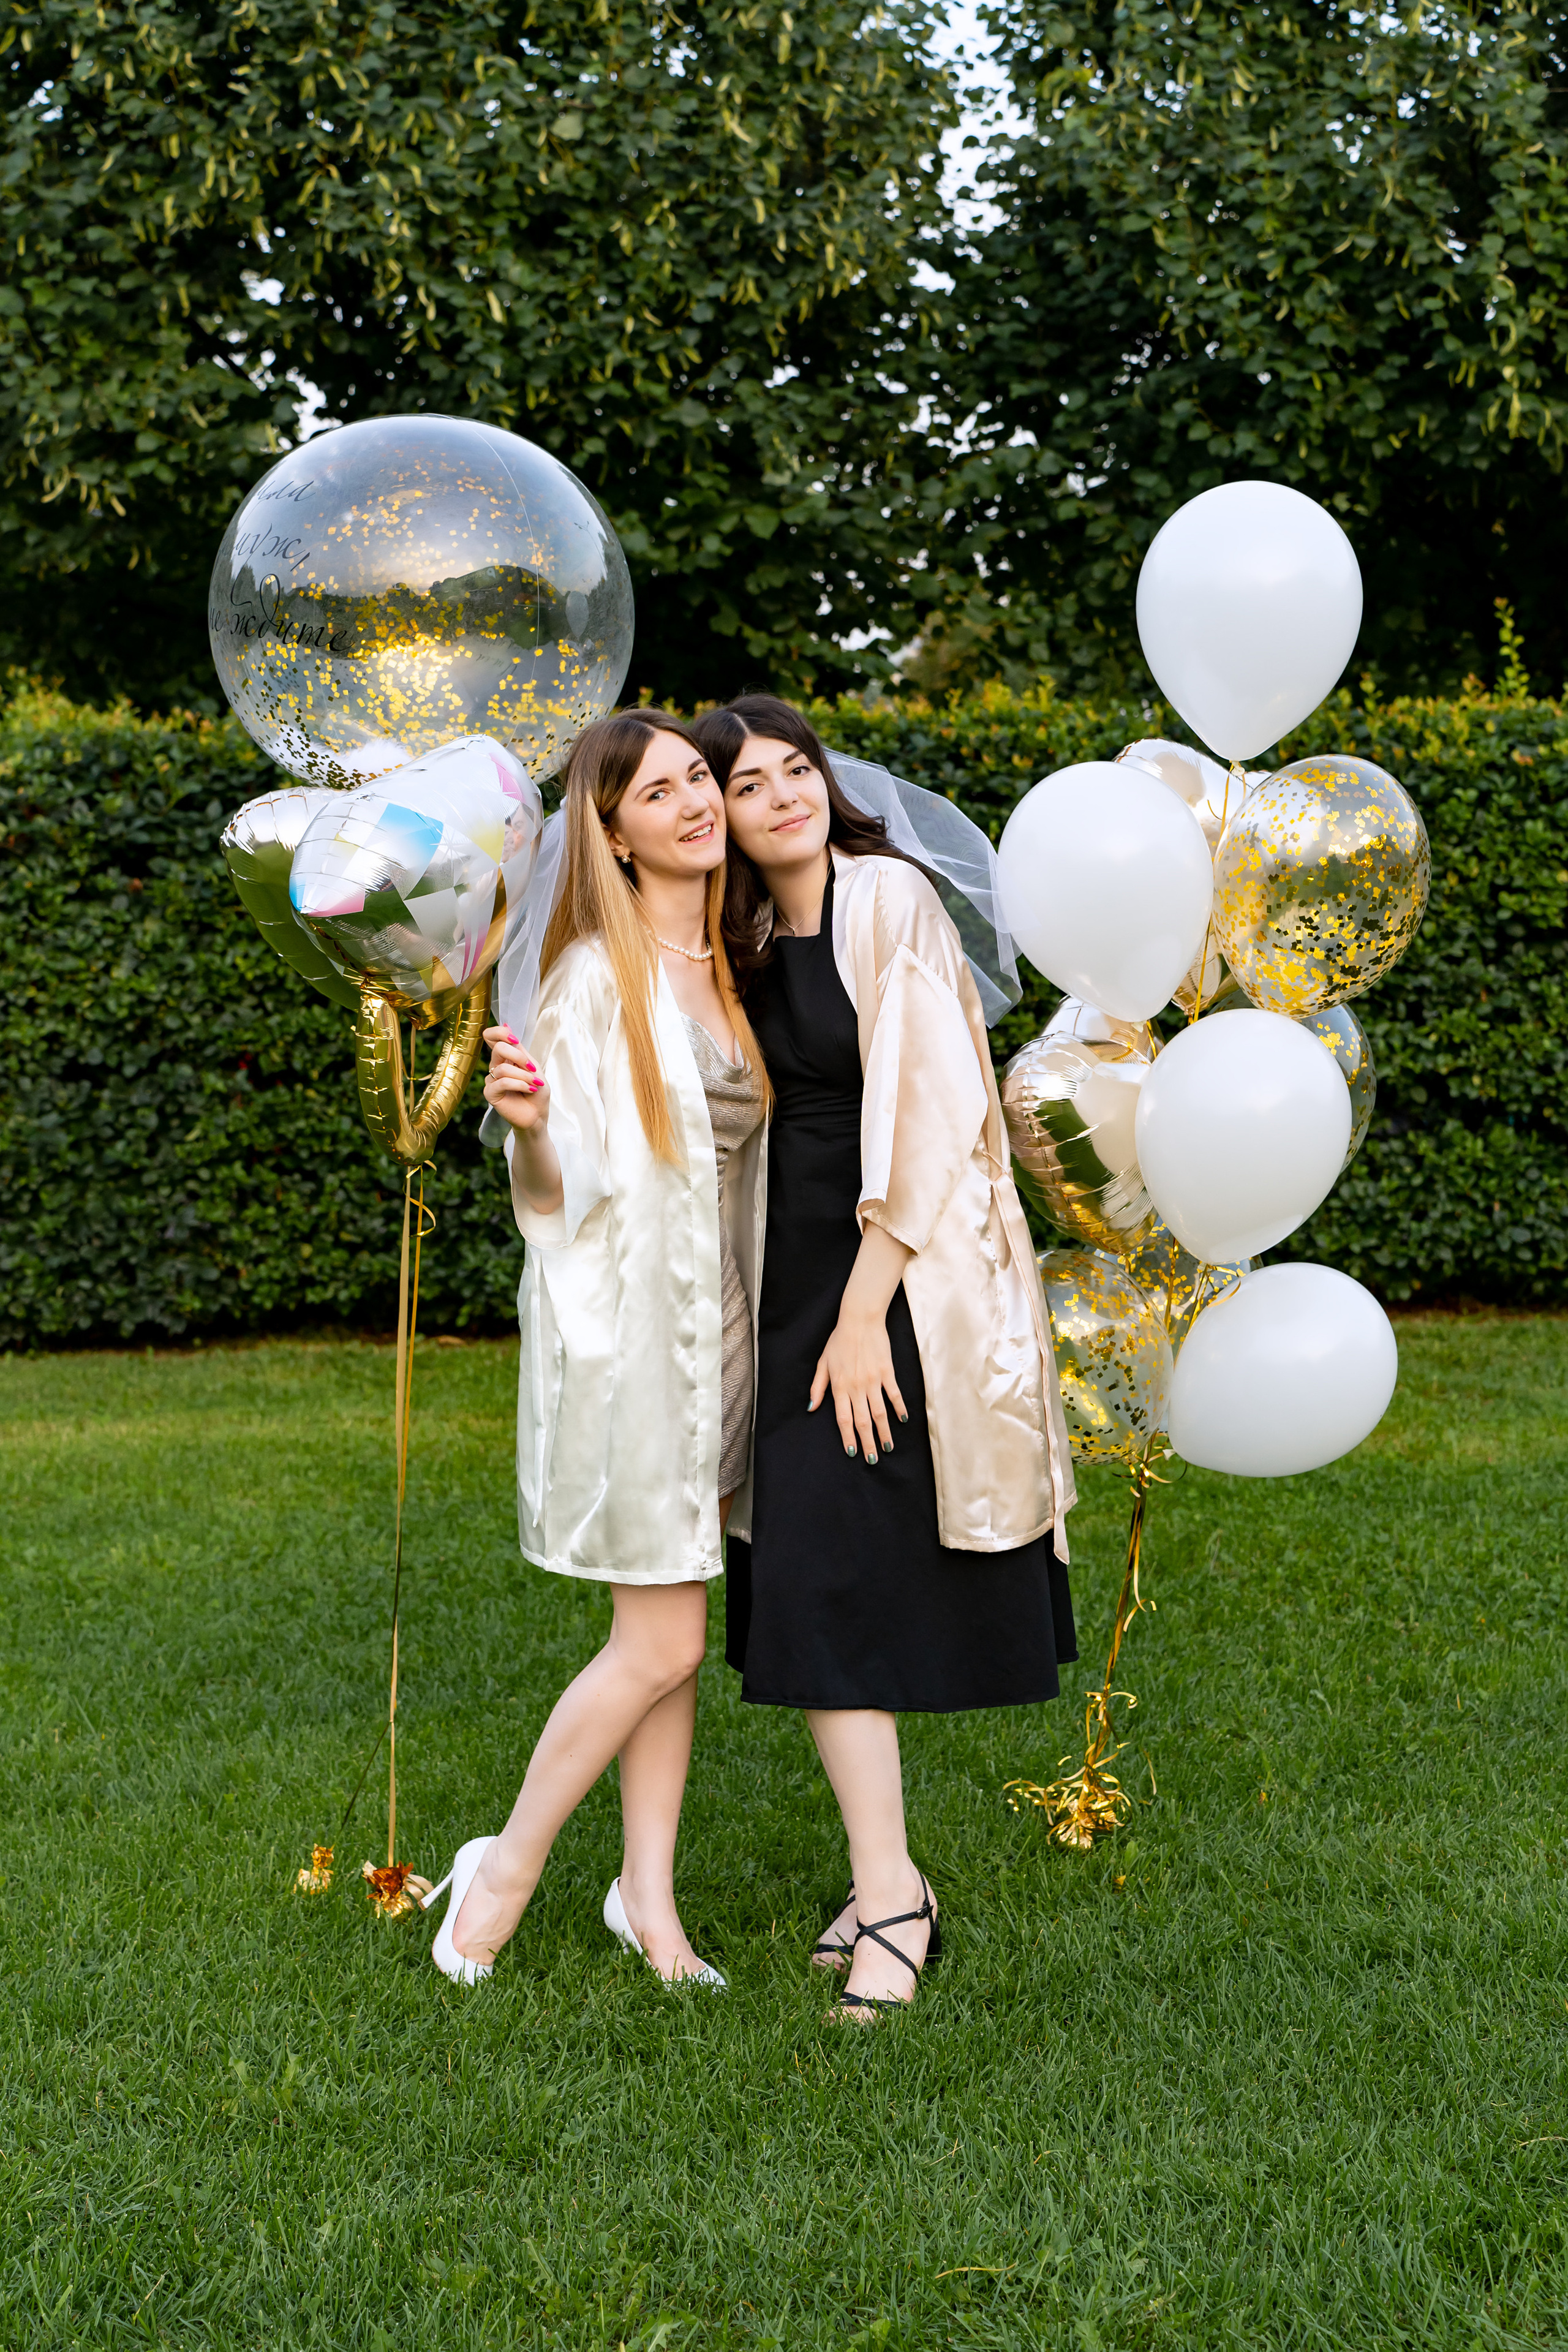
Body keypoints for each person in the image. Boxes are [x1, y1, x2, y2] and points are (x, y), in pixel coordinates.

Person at [691, 694, 1077, 2018]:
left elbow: (925, 1115)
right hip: (783, 1268)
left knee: (837, 1576)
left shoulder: (886, 899)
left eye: (796, 770)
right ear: (721, 815)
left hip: (891, 1276)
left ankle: (890, 1895)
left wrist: (863, 1316)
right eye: (750, 784)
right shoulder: (733, 932)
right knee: (806, 1580)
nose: (784, 794)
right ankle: (884, 1880)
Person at [421, 710, 769, 1986]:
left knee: (671, 1624)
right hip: (632, 1341)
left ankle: (649, 1903)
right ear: (611, 834)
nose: (691, 805)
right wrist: (523, 1128)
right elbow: (555, 1188)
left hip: (728, 1327)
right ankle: (502, 1866)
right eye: (657, 793)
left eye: (699, 782)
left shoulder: (740, 965)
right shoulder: (585, 982)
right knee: (664, 1642)